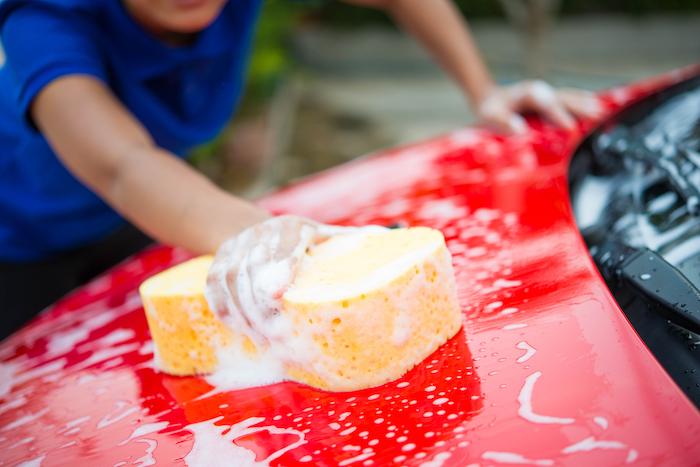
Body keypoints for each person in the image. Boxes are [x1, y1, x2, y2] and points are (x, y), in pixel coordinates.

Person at [0, 0, 599, 341]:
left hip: (146, 216)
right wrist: (256, 228)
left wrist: (484, 91)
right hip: (16, 242)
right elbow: (123, 167)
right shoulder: (42, 22)